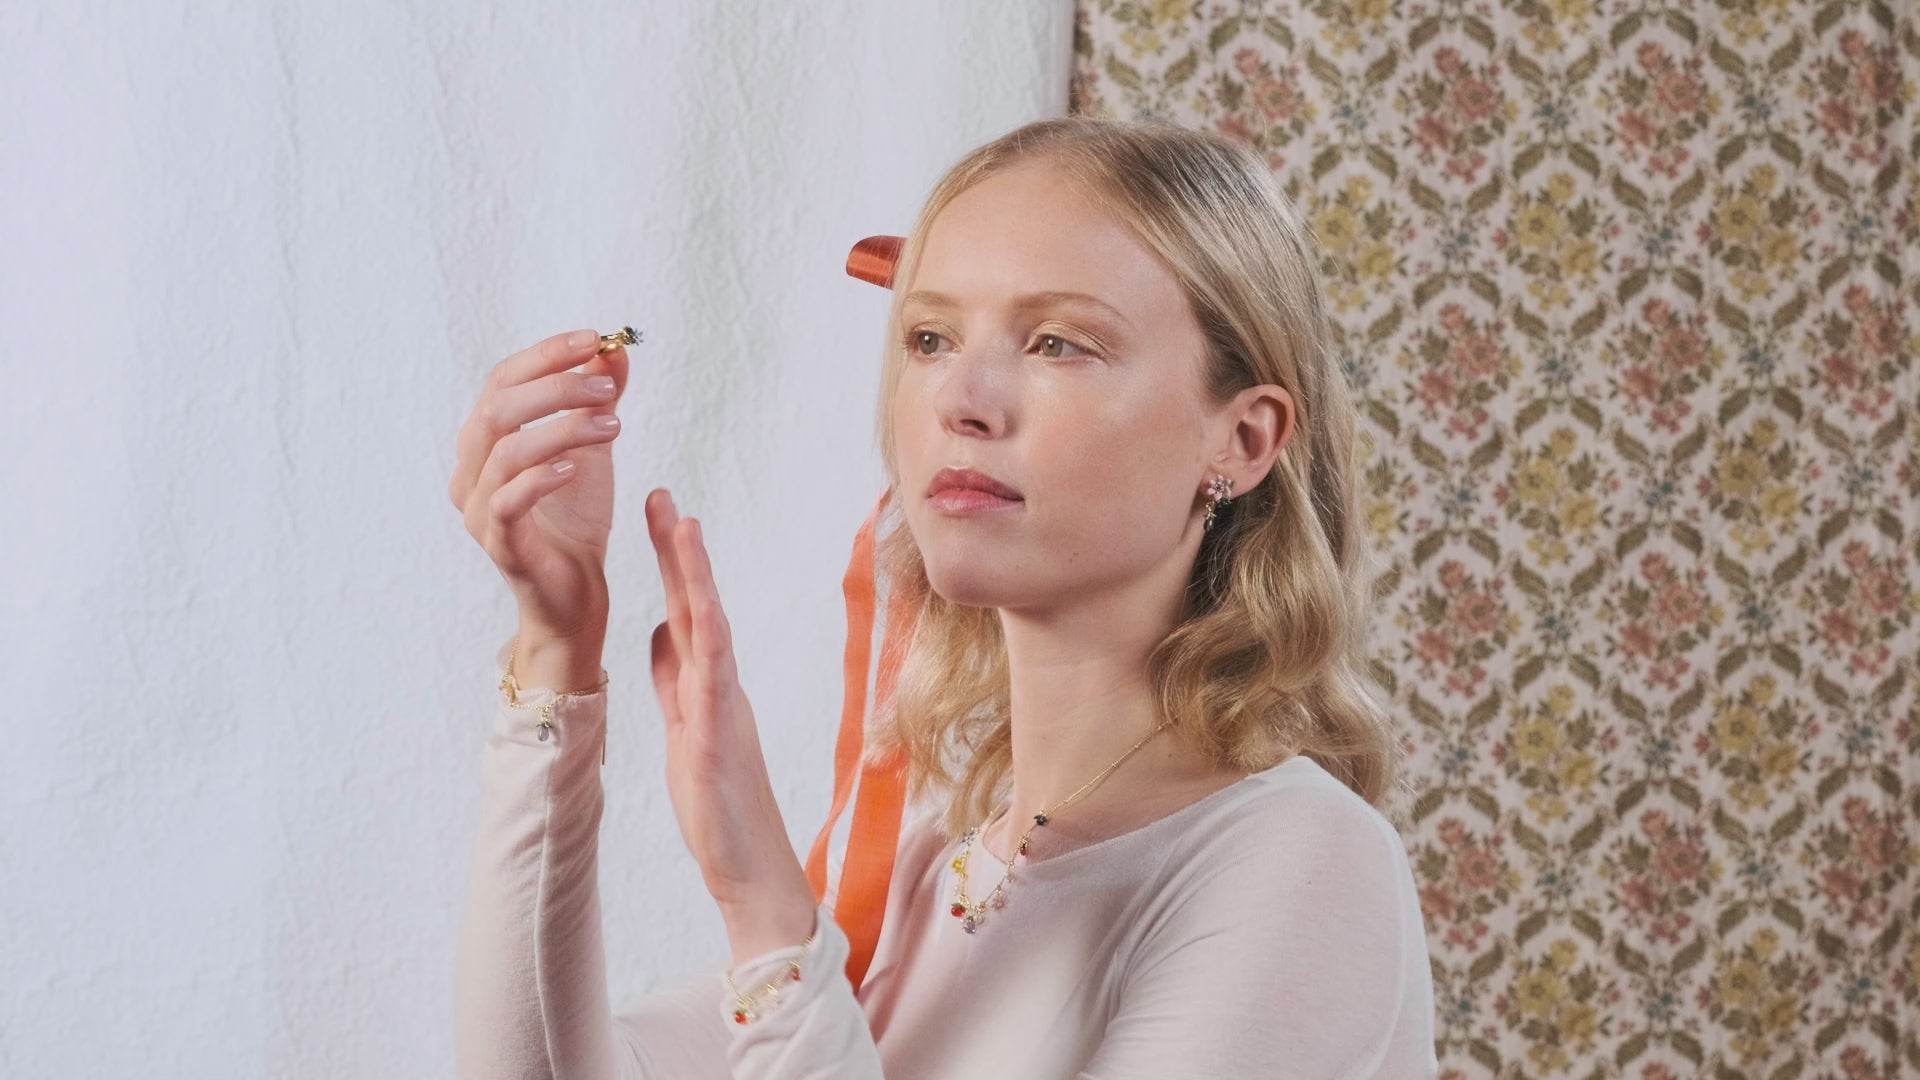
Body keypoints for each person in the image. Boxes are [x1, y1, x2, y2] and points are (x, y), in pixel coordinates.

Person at [447, 115, 1439, 1079]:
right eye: (929, 338)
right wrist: (557, 651)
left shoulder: (1305, 864)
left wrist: (766, 909)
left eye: (1057, 343)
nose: (963, 399)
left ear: (1242, 440)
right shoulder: (924, 870)